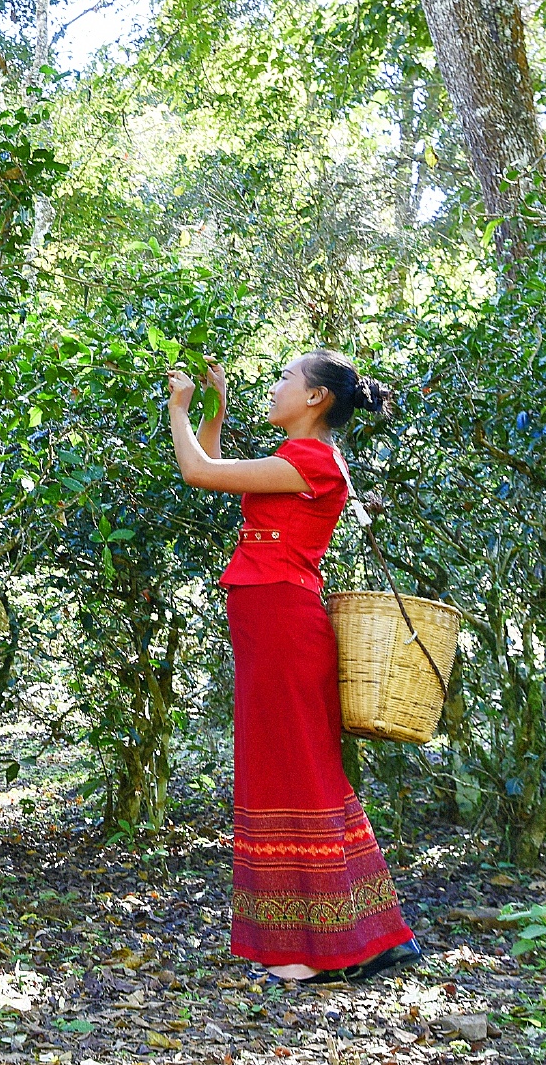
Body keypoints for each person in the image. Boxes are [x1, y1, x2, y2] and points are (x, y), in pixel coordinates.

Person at [166, 350, 422, 985]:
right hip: (271, 616)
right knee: (295, 764)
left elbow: (198, 472)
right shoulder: (302, 459)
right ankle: (363, 937)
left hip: (282, 618)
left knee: (291, 769)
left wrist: (178, 409)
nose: (276, 388)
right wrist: (215, 412)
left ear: (314, 399)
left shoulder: (307, 460)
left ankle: (321, 947)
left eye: (287, 379)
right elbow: (215, 464)